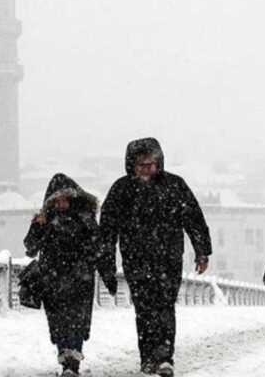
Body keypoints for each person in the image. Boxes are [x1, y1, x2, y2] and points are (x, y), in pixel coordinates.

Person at [99, 138, 212, 377]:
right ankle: (148, 357)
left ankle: (163, 357)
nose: (147, 169)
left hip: (168, 259)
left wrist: (202, 251)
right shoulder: (121, 190)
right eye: (141, 165)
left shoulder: (174, 185)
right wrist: (106, 263)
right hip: (135, 259)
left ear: (159, 163)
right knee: (144, 308)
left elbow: (194, 219)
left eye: (151, 164)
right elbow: (107, 230)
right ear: (132, 165)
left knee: (164, 306)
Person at [24, 173, 117, 377]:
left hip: (80, 280)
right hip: (53, 280)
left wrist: (109, 276)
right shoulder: (46, 221)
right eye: (57, 199)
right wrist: (38, 225)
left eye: (65, 198)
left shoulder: (86, 221)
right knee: (58, 322)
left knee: (77, 321)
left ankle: (72, 360)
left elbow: (99, 250)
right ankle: (65, 355)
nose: (61, 203)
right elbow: (30, 247)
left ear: (74, 198)